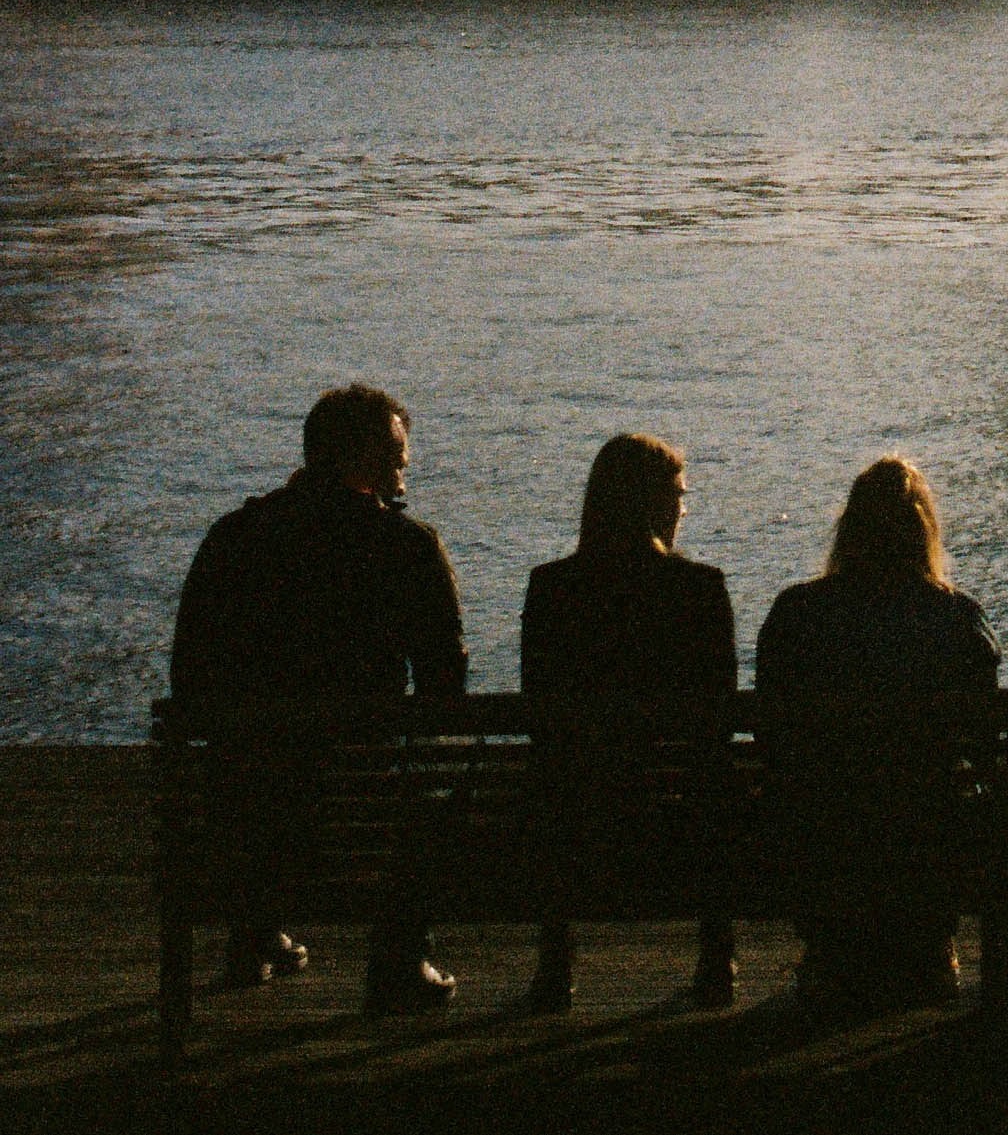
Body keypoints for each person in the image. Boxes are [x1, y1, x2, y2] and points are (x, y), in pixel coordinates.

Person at [169, 384, 467, 1013]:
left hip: (240, 807)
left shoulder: (234, 537)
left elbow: (190, 680)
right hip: (361, 804)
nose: (404, 467)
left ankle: (252, 931)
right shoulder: (407, 548)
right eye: (395, 456)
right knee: (428, 779)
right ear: (362, 461)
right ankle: (397, 959)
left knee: (270, 766)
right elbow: (446, 694)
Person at [754, 457, 999, 1011]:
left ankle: (829, 953)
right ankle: (931, 947)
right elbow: (983, 739)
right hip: (926, 823)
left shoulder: (798, 612)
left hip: (821, 823)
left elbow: (773, 735)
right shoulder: (955, 617)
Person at [520, 433, 737, 1013]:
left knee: (556, 780)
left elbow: (540, 716)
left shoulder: (551, 588)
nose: (683, 510)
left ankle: (555, 963)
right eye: (680, 497)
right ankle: (717, 958)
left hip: (574, 827)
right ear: (659, 506)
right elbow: (716, 724)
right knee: (715, 783)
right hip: (679, 827)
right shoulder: (699, 590)